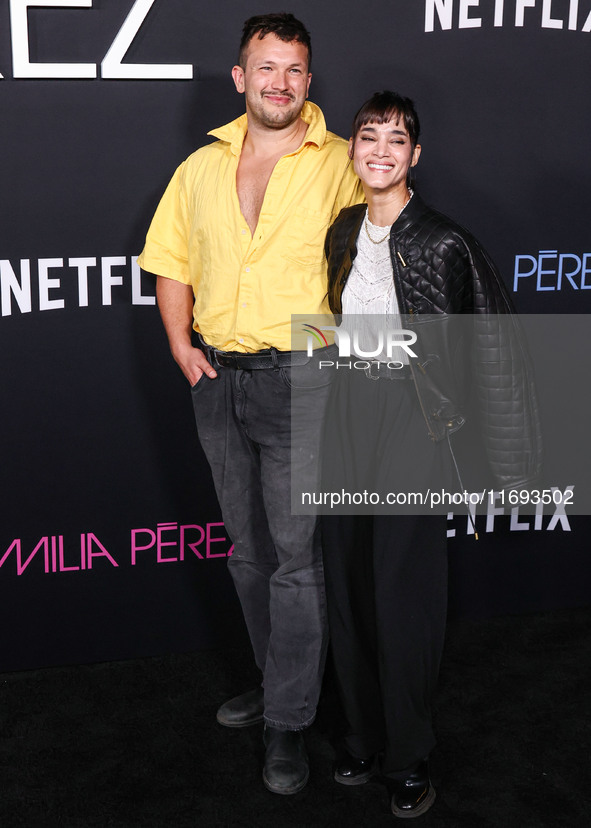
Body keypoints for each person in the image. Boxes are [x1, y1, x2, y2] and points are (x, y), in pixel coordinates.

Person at [137, 13, 362, 796]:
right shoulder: (199, 167)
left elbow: (387, 257)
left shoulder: (341, 162)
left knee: (297, 564)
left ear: (309, 79)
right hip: (217, 383)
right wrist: (180, 347)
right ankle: (277, 686)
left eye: (294, 69)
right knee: (247, 555)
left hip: (301, 382)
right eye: (264, 68)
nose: (279, 82)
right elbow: (170, 261)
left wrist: (320, 345)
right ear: (239, 78)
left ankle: (290, 723)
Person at [321, 91, 541, 818]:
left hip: (412, 425)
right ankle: (360, 738)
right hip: (344, 415)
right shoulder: (343, 230)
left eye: (395, 139)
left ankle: (408, 755)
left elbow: (495, 355)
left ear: (415, 156)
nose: (379, 150)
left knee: (400, 595)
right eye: (367, 137)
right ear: (351, 151)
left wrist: (510, 469)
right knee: (348, 588)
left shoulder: (446, 242)